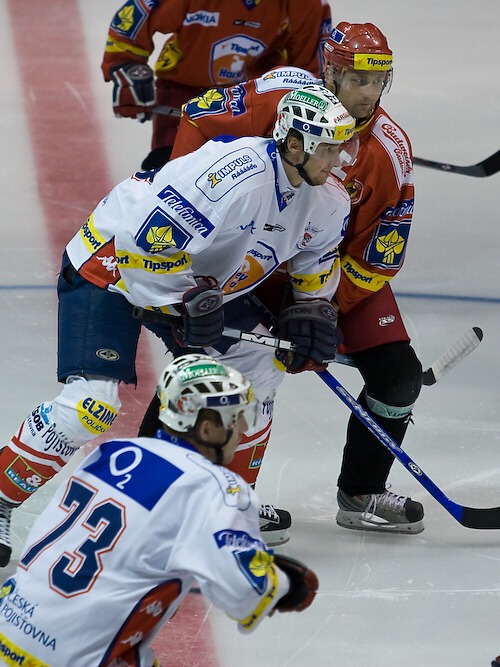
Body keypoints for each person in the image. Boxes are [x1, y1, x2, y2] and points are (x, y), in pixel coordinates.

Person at [0, 84, 358, 566]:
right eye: (331, 148)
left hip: (196, 283)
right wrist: (184, 305)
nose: (341, 159)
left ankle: (225, 509)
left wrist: (311, 312)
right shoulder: (233, 177)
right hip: (112, 267)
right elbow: (140, 244)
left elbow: (315, 262)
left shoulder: (329, 200)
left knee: (258, 365)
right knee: (91, 407)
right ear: (295, 144)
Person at [140, 21, 425, 537]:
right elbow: (198, 116)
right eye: (358, 79)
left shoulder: (390, 150)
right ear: (330, 73)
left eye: (378, 80)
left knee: (399, 376)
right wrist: (184, 198)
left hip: (326, 273)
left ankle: (361, 491)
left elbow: (377, 259)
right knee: (204, 364)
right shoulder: (281, 95)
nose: (369, 93)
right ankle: (146, 488)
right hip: (247, 260)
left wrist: (315, 312)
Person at [0, 354, 319, 667]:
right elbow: (247, 592)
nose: (244, 427)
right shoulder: (217, 487)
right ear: (207, 428)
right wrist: (287, 585)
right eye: (235, 417)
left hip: (8, 628)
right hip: (76, 657)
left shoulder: (112, 453)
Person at [101, 0, 332, 170]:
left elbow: (309, 73)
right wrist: (126, 65)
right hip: (184, 93)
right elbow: (137, 16)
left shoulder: (306, 5)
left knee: (256, 177)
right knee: (168, 170)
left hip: (253, 99)